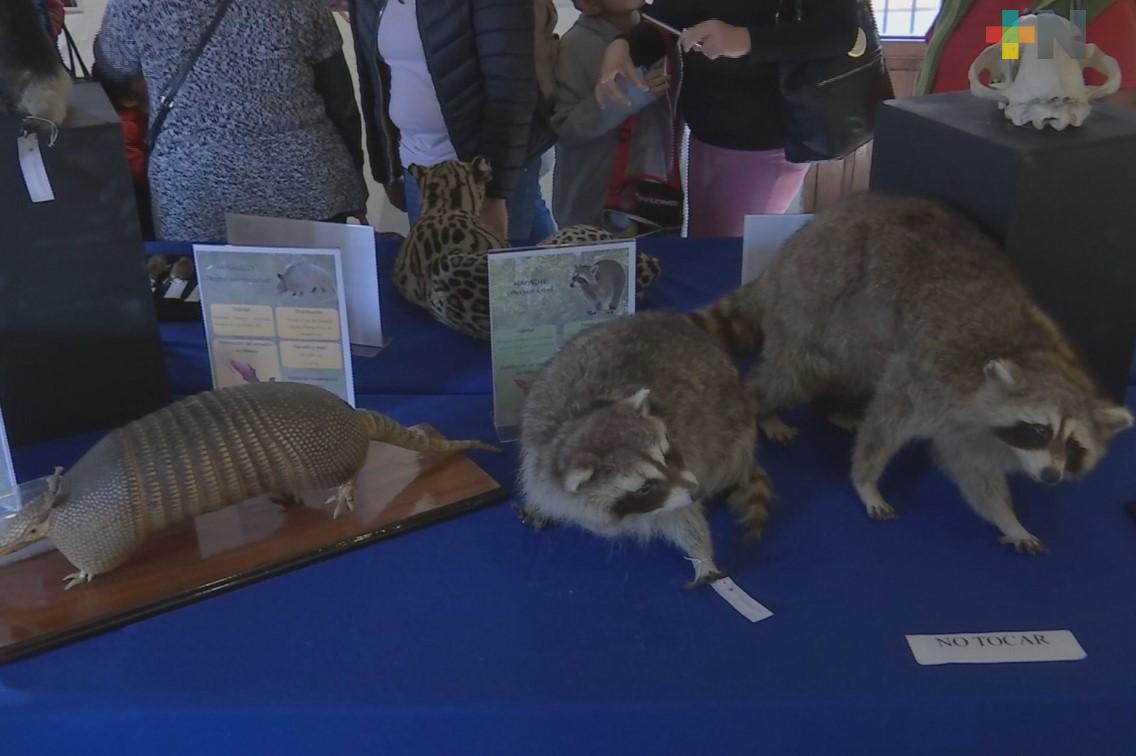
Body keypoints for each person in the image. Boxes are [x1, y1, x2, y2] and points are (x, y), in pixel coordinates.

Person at [95, 0, 369, 242]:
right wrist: (354, 176)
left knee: (208, 297)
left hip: (194, 191)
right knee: (313, 292)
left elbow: (113, 66)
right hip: (309, 184)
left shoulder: (134, 5)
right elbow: (340, 99)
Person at [595, 0, 860, 236]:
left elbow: (838, 31)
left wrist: (746, 40)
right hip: (707, 131)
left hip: (765, 137)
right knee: (705, 245)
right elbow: (669, 17)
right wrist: (626, 45)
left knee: (728, 263)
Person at [348, 0, 557, 246]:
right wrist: (387, 170)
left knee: (511, 278)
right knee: (439, 276)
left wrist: (494, 193)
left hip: (491, 171)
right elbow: (372, 82)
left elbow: (511, 89)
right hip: (419, 167)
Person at [551, 0, 675, 230]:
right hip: (593, 208)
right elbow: (567, 128)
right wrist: (630, 94)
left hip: (657, 201)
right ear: (587, 4)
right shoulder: (575, 46)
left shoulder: (665, 32)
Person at [916, 0, 1136, 95]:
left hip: (1030, 178)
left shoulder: (1096, 7)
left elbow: (1118, 110)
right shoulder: (958, 5)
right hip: (930, 165)